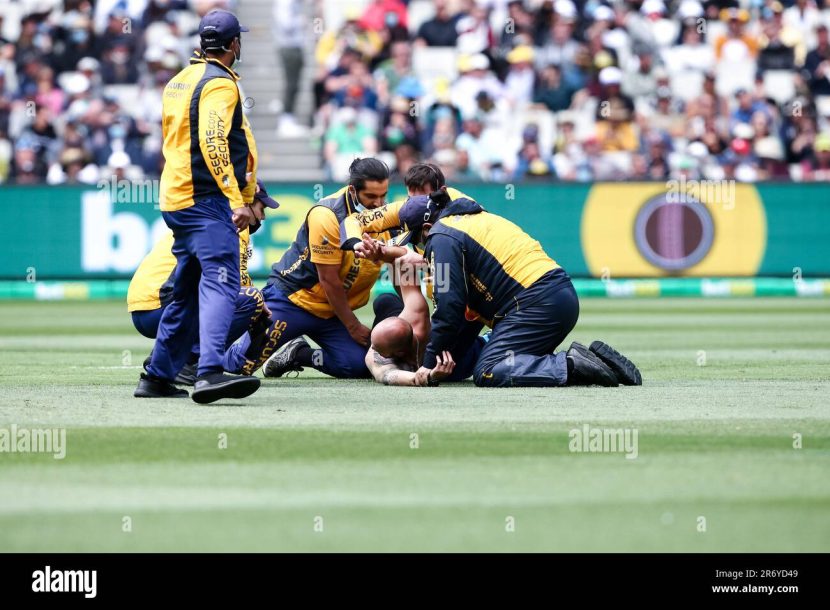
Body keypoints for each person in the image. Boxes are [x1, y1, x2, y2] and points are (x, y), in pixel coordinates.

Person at [343, 163, 642, 388]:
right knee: (471, 360)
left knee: (489, 370)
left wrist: (428, 365)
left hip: (535, 302)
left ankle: (572, 363)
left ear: (424, 229)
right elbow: (454, 311)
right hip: (550, 295)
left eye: (417, 240)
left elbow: (449, 309)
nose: (419, 247)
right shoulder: (463, 219)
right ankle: (591, 364)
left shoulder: (442, 238)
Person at [134, 9, 261, 403]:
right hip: (207, 201)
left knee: (186, 289)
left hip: (177, 198)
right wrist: (236, 197)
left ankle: (156, 376)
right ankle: (209, 373)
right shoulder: (220, 84)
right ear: (234, 44)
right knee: (222, 279)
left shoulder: (178, 80)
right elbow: (213, 140)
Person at [224, 158, 396, 379]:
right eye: (371, 196)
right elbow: (329, 280)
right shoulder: (326, 214)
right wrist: (352, 325)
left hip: (331, 311)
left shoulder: (388, 214)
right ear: (353, 190)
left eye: (383, 195)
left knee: (360, 367)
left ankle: (298, 353)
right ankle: (200, 352)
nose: (379, 203)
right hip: (293, 300)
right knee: (238, 368)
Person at [128, 182, 278, 385]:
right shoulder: (232, 222)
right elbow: (233, 284)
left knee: (243, 297)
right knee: (251, 299)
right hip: (161, 307)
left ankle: (168, 357)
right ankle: (190, 362)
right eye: (261, 208)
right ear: (246, 203)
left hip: (147, 309)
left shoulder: (208, 215)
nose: (263, 217)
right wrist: (258, 308)